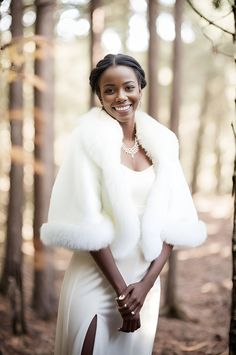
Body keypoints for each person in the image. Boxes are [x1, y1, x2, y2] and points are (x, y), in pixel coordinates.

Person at [40, 53, 206, 355]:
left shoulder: (163, 144)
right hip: (96, 279)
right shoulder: (88, 142)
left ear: (140, 87)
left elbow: (174, 223)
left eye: (128, 87)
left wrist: (144, 287)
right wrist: (122, 293)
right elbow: (86, 222)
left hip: (144, 285)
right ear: (99, 96)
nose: (121, 96)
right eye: (109, 89)